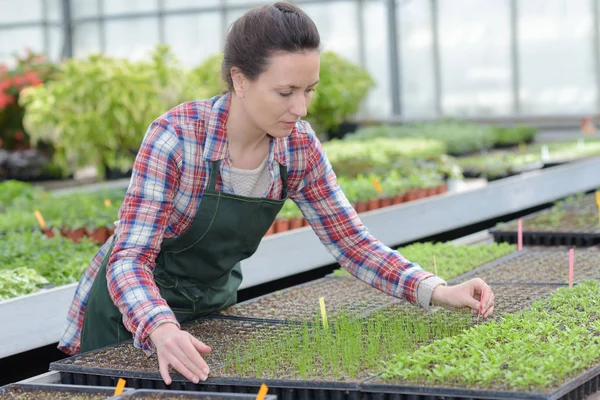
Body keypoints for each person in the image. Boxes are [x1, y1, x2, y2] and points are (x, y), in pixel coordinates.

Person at [59, 1, 494, 386]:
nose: (301, 108)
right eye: (285, 92)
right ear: (240, 80)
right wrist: (161, 328)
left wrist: (435, 290)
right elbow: (130, 259)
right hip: (129, 316)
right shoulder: (176, 138)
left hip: (211, 310)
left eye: (308, 91)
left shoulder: (297, 148)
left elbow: (351, 241)